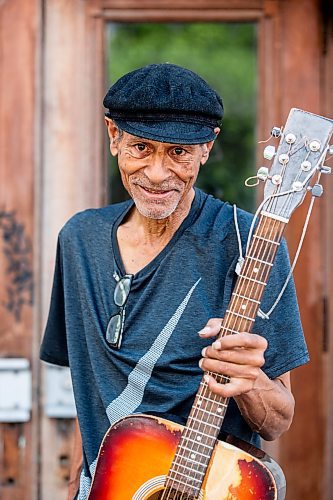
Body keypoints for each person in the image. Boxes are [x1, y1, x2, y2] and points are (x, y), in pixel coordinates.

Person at [40, 63, 309, 500]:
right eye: (141, 147)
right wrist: (76, 487)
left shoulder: (249, 243)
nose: (159, 174)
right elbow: (87, 393)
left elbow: (277, 420)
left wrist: (249, 378)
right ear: (113, 137)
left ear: (207, 147)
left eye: (179, 152)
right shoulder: (79, 240)